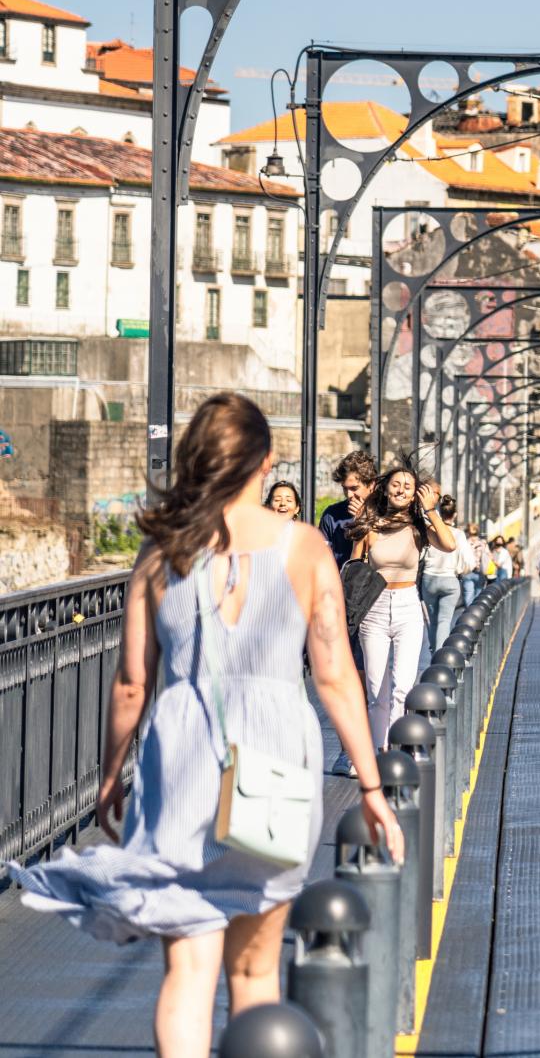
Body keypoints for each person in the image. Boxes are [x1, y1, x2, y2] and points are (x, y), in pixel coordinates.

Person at [6, 393, 400, 1058]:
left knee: (188, 971)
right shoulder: (304, 547)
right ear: (263, 461)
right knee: (255, 970)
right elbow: (336, 676)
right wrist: (370, 786)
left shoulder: (164, 551)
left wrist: (111, 776)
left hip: (184, 755)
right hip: (275, 759)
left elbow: (132, 682)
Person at [351, 465, 452, 753]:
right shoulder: (369, 526)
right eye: (396, 484)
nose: (401, 490)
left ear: (415, 494)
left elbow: (449, 544)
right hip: (374, 608)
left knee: (402, 689)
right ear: (385, 488)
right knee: (376, 692)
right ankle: (377, 750)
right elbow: (353, 569)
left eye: (408, 486)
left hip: (408, 606)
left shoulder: (419, 527)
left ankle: (395, 748)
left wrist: (430, 510)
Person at [420, 495, 463, 655]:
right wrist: (459, 569)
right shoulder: (458, 534)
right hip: (450, 579)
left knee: (431, 621)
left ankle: (433, 651)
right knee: (444, 620)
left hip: (429, 578)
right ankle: (440, 656)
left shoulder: (430, 530)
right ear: (455, 515)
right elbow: (469, 562)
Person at [317, 450, 376, 568]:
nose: (349, 495)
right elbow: (321, 560)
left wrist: (365, 518)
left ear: (371, 484)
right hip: (340, 583)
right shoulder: (332, 515)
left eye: (354, 488)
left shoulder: (385, 512)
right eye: (345, 488)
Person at [457, 520, 487, 614]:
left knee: (468, 596)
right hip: (479, 572)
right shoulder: (483, 543)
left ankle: (470, 616)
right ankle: (476, 616)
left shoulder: (464, 543)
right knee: (478, 596)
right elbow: (489, 556)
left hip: (468, 571)